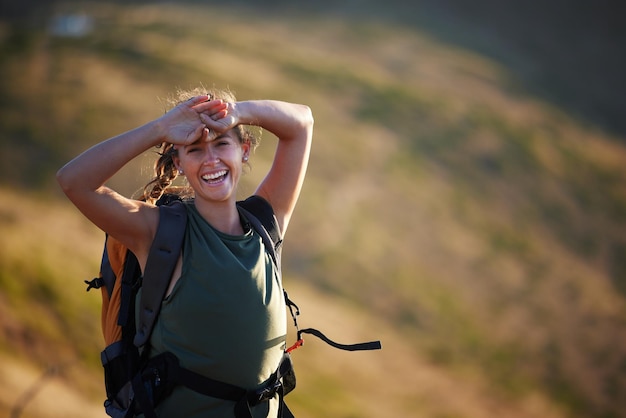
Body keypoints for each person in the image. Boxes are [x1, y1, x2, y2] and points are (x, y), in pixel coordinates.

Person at [57, 87, 314, 417]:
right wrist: (159, 129)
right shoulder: (156, 231)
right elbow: (73, 181)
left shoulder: (267, 220)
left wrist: (237, 111)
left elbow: (302, 123)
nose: (211, 160)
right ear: (178, 162)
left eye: (222, 142)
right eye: (194, 149)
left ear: (244, 149)